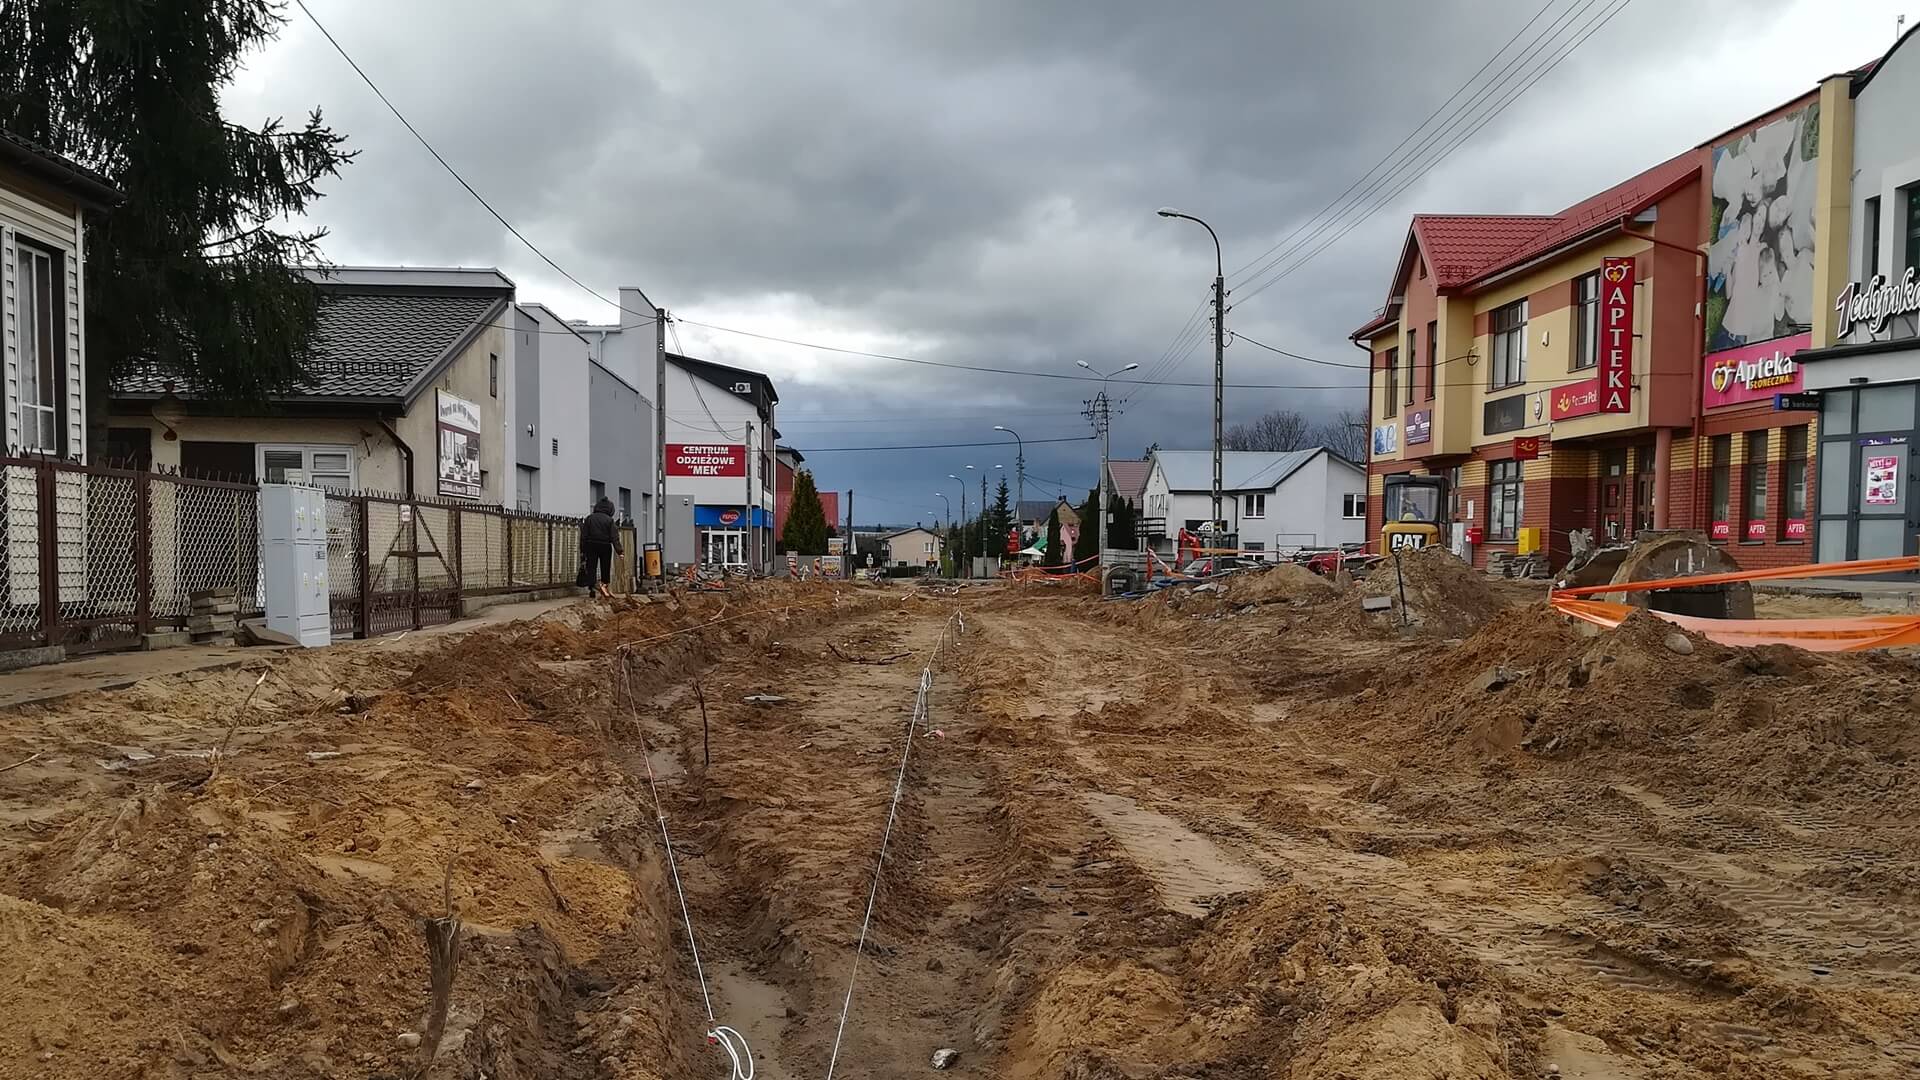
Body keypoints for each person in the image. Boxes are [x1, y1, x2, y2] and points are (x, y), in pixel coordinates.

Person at [579, 497, 621, 599]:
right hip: (605, 546)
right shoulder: (610, 520)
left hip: (591, 545)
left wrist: (583, 549)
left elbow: (584, 536)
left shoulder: (590, 518)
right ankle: (605, 586)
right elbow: (614, 537)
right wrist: (620, 551)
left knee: (591, 567)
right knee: (605, 567)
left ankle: (592, 588)